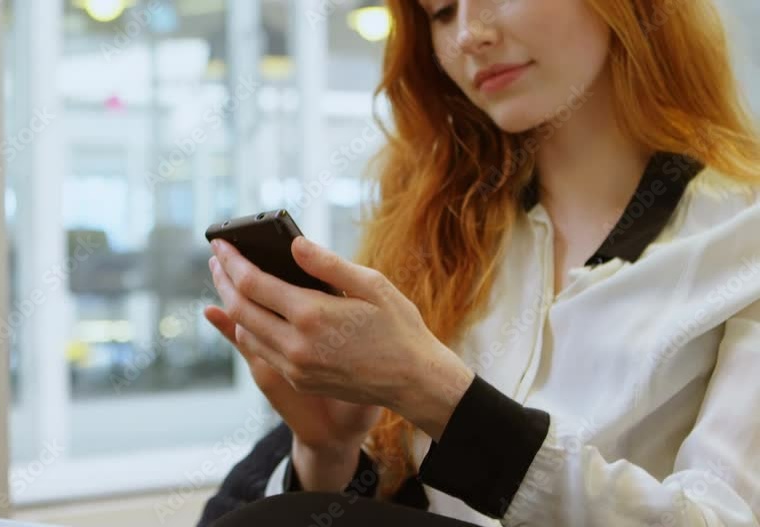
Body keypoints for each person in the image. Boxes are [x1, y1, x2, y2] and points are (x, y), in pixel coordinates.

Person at [198, 0, 760, 525]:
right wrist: (328, 449)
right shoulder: (435, 238)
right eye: (440, 12)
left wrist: (434, 392)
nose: (468, 34)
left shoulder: (743, 236)